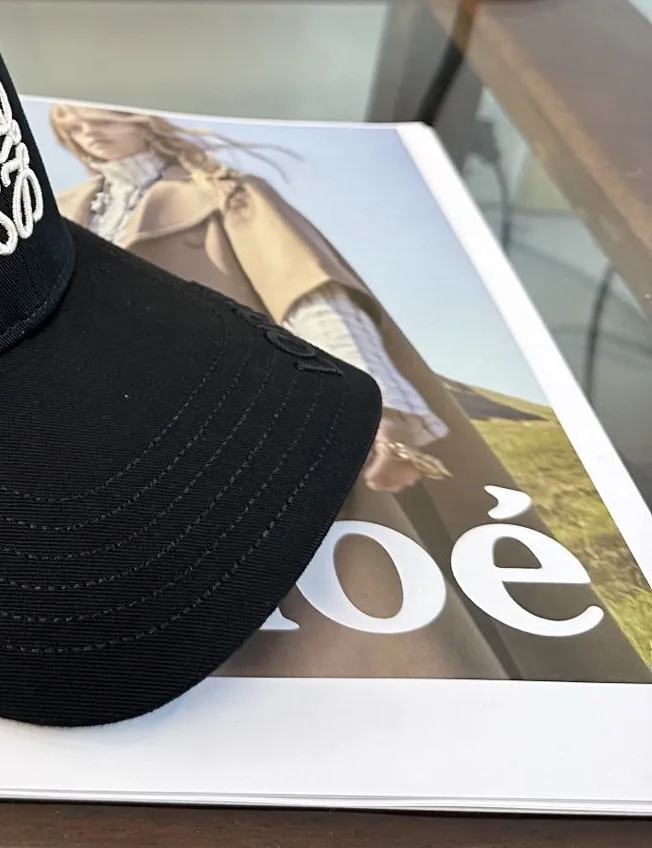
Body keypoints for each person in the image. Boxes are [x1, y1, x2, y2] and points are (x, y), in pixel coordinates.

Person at [51, 103, 648, 681]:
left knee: (340, 627)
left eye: (98, 115)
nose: (83, 128)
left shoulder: (227, 193)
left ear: (144, 121)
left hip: (234, 430)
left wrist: (373, 405)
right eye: (69, 119)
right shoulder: (56, 211)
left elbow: (311, 297)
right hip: (81, 438)